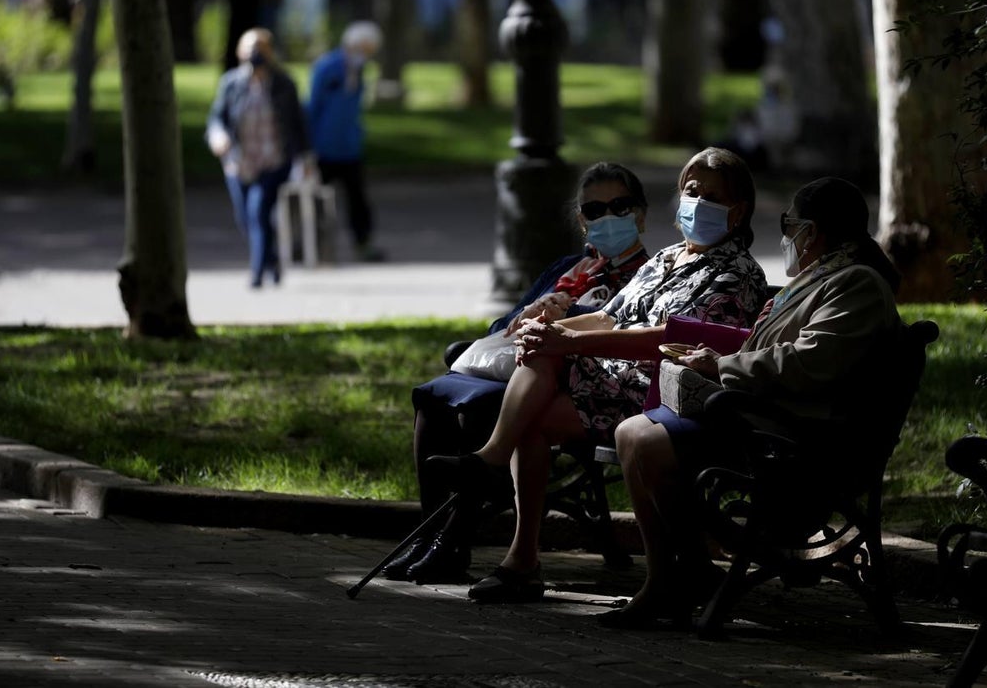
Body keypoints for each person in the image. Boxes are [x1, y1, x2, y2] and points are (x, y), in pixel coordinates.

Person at [427, 147, 771, 603]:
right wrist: (549, 328)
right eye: (691, 191)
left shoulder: (738, 271)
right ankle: (520, 555)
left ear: (738, 209)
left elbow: (670, 341)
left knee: (547, 363)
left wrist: (566, 343)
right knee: (537, 390)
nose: (698, 202)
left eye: (712, 195)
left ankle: (495, 472)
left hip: (659, 393)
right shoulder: (667, 259)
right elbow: (609, 316)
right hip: (610, 384)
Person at [604, 176, 903, 629]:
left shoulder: (856, 284)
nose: (786, 236)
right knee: (631, 431)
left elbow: (808, 361)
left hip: (797, 435)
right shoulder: (823, 277)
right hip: (764, 417)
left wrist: (723, 366)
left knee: (645, 442)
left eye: (790, 225)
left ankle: (675, 576)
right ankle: (675, 573)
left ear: (813, 232)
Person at [383, 162, 654, 585]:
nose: (608, 216)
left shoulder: (647, 274)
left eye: (619, 205)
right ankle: (429, 534)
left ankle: (451, 543)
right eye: (595, 210)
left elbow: (620, 328)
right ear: (582, 221)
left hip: (567, 375)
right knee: (432, 398)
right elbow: (500, 328)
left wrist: (566, 316)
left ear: (639, 213)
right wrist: (529, 313)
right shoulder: (568, 267)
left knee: (480, 410)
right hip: (516, 365)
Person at [206, 28, 311, 288]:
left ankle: (256, 275)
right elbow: (216, 118)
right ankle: (271, 260)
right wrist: (218, 137)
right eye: (250, 48)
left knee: (259, 211)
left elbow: (298, 124)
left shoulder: (283, 83)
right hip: (239, 162)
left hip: (273, 161)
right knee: (246, 218)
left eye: (260, 48)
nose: (255, 54)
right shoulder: (231, 83)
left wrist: (305, 158)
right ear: (240, 52)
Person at [308, 21, 385, 262]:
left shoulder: (360, 72)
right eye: (364, 49)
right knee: (317, 200)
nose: (366, 55)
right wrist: (307, 145)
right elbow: (313, 106)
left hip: (349, 148)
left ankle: (363, 243)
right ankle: (315, 246)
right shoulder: (327, 67)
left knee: (358, 201)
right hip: (324, 147)